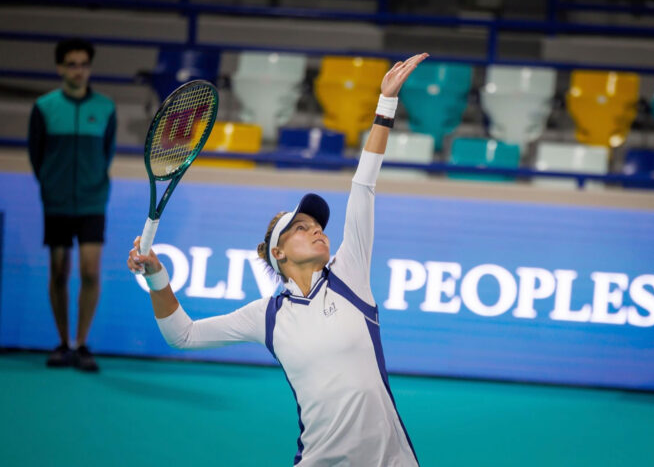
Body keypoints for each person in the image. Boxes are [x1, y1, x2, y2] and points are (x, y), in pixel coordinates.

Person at [127, 52, 429, 466]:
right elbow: (183, 335)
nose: (318, 230)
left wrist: (386, 103)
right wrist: (157, 276)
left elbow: (364, 185)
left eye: (318, 225)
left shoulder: (350, 275)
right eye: (302, 227)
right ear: (279, 252)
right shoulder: (266, 317)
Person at [28, 38, 117, 372]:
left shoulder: (106, 108)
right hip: (57, 204)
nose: (78, 71)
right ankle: (63, 343)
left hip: (93, 202)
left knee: (90, 272)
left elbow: (106, 153)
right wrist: (52, 186)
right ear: (60, 68)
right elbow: (36, 155)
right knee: (59, 272)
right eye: (72, 64)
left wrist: (92, 185)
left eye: (83, 64)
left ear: (89, 68)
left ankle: (81, 344)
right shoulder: (44, 107)